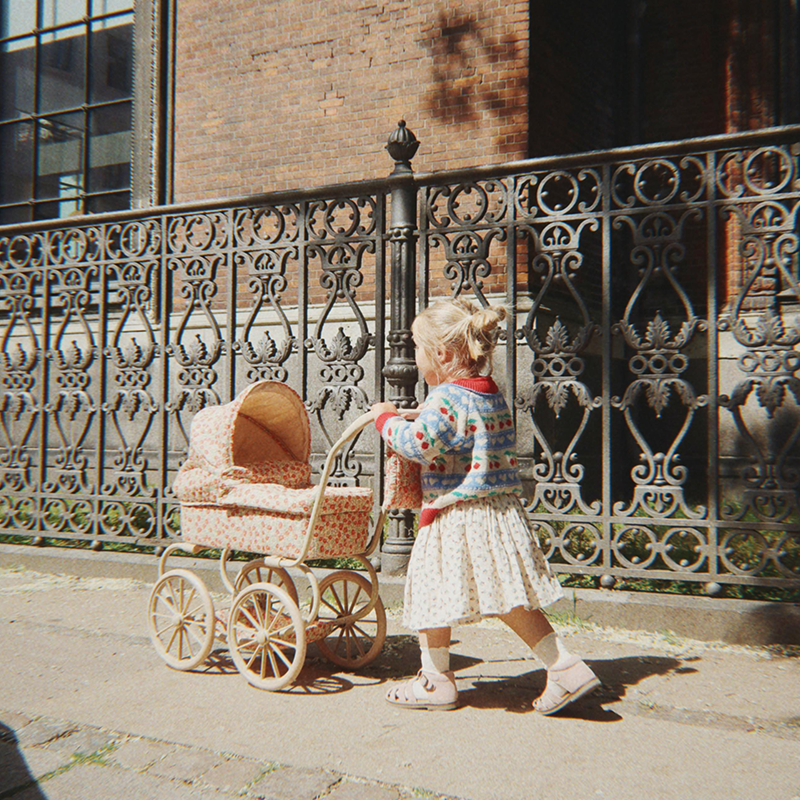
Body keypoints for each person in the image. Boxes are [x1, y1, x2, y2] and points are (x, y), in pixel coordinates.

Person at [371, 298, 600, 713]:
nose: (417, 361)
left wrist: (385, 418)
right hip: (496, 509)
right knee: (509, 595)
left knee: (428, 591)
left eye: (419, 351)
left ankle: (436, 679)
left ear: (440, 354)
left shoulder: (446, 399)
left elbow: (419, 444)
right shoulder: (487, 393)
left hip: (456, 513)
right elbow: (461, 428)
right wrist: (426, 412)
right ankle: (563, 666)